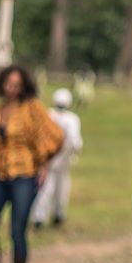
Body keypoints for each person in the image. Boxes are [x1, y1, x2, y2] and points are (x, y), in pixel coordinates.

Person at [0, 65, 64, 263]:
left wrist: (44, 164)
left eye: (17, 84)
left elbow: (54, 136)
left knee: (17, 231)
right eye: (8, 83)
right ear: (2, 84)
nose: (12, 88)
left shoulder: (33, 109)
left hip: (24, 176)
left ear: (24, 86)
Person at [32, 88, 83, 228]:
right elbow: (75, 141)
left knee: (45, 188)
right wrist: (73, 154)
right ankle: (57, 215)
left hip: (49, 159)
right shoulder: (72, 119)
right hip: (63, 159)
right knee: (61, 187)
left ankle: (40, 217)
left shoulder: (48, 114)